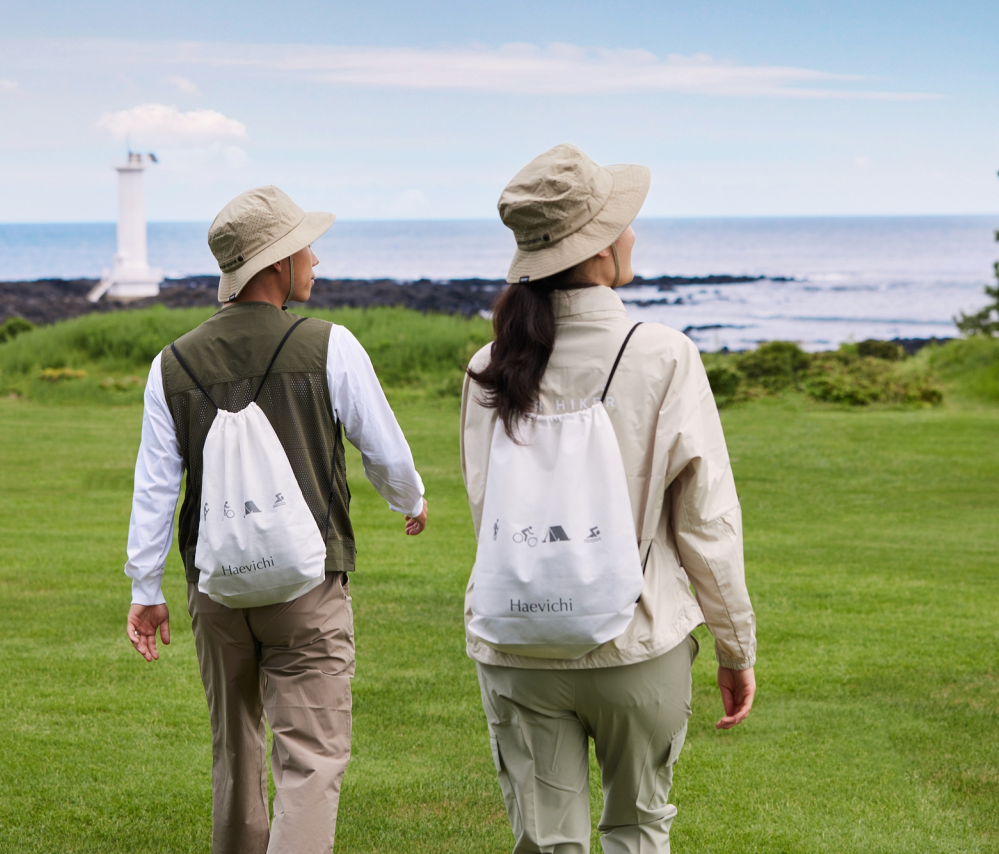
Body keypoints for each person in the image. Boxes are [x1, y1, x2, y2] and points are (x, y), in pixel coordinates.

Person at [460, 144, 757, 853]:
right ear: (597, 250)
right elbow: (706, 520)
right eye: (622, 223)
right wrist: (734, 644)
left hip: (516, 640)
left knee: (545, 841)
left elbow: (488, 505)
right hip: (638, 640)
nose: (632, 234)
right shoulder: (662, 354)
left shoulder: (488, 366)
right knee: (638, 830)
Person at [123, 185, 429, 854]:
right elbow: (385, 449)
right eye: (304, 248)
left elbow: (155, 489)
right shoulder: (329, 345)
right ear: (274, 265)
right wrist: (409, 500)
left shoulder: (170, 364)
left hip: (217, 592)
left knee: (235, 758)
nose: (315, 260)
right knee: (311, 760)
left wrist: (146, 590)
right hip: (308, 587)